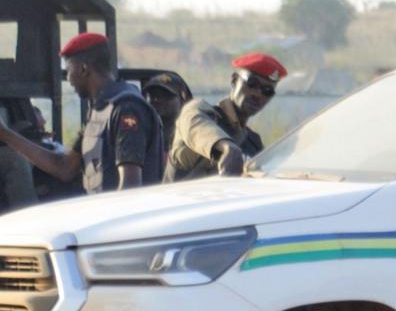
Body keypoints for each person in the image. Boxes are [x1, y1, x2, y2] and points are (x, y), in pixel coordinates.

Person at [0, 33, 161, 194]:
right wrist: (6, 134)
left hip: (122, 216)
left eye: (69, 71)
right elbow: (65, 168)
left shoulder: (126, 109)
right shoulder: (99, 109)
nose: (69, 80)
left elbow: (130, 186)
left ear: (84, 69)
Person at [165, 53, 286, 181]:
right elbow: (193, 121)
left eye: (267, 91)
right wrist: (226, 146)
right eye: (252, 83)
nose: (257, 94)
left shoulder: (254, 144)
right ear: (234, 80)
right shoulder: (202, 114)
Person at [142, 72, 192, 171]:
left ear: (182, 99)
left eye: (166, 95)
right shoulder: (143, 131)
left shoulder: (189, 133)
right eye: (152, 95)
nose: (157, 100)